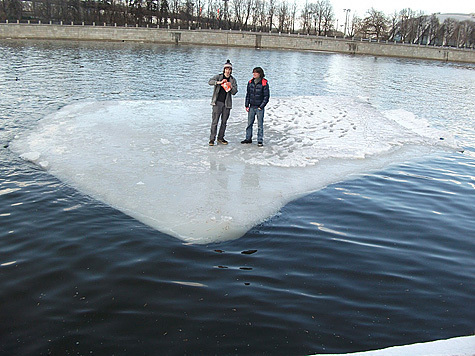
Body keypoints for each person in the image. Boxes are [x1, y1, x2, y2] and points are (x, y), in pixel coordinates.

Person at [208, 59, 238, 146]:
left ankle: (220, 138)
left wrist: (230, 87)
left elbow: (235, 92)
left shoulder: (233, 80)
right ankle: (212, 139)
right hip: (217, 102)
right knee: (215, 122)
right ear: (224, 69)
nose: (228, 71)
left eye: (229, 69)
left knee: (224, 122)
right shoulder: (219, 76)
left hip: (227, 104)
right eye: (226, 69)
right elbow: (210, 82)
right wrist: (219, 82)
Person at [241, 67, 270, 147]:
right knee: (249, 124)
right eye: (253, 72)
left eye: (256, 73)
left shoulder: (264, 83)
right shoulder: (250, 82)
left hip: (259, 107)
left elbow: (266, 97)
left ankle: (260, 140)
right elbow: (248, 95)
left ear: (259, 74)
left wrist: (261, 106)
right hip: (251, 106)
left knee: (260, 125)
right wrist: (246, 105)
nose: (254, 74)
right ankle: (248, 138)